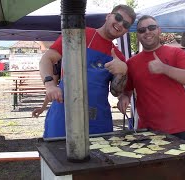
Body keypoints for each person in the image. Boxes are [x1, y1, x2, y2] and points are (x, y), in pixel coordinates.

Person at [39, 4, 136, 138]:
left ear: (126, 31)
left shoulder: (118, 56)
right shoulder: (79, 34)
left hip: (97, 119)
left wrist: (122, 72)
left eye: (126, 24)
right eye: (118, 18)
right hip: (65, 112)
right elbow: (47, 59)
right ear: (108, 16)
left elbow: (116, 92)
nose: (120, 24)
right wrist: (50, 85)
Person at [117, 15, 185, 143]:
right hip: (147, 131)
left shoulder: (177, 53)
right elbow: (127, 90)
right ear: (137, 35)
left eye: (151, 27)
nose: (147, 32)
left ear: (159, 30)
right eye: (142, 30)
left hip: (179, 129)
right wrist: (124, 98)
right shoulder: (132, 63)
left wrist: (164, 68)